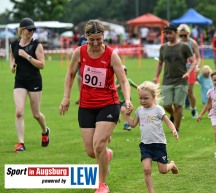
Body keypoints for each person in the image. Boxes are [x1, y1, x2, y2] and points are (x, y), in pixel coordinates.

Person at [58, 19, 132, 193]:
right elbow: (70, 74)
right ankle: (107, 154)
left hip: (109, 104)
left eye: (100, 39)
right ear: (86, 37)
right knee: (92, 152)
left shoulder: (111, 55)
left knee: (98, 144)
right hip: (86, 105)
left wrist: (127, 99)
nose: (96, 43)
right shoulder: (80, 52)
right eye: (92, 40)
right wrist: (66, 97)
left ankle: (102, 184)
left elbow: (123, 80)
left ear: (104, 37)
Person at [125, 81, 179, 193]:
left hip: (159, 144)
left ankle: (172, 165)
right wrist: (127, 115)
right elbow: (133, 124)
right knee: (146, 169)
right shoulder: (139, 110)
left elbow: (168, 121)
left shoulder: (158, 109)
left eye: (145, 98)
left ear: (153, 97)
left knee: (163, 170)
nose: (142, 101)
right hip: (145, 145)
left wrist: (174, 130)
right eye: (140, 98)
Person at [10, 17, 50, 152]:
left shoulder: (36, 44)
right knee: (19, 112)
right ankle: (21, 143)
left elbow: (42, 65)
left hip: (34, 81)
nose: (32, 32)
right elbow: (12, 56)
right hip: (20, 81)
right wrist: (12, 65)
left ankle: (45, 131)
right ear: (22, 30)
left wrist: (27, 56)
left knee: (36, 114)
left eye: (34, 30)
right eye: (29, 30)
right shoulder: (14, 44)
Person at [153, 24, 196, 132]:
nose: (168, 35)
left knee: (178, 105)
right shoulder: (163, 47)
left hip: (181, 80)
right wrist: (155, 76)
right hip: (167, 80)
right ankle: (174, 115)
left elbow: (193, 61)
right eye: (166, 33)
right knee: (167, 105)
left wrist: (188, 73)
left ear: (176, 33)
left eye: (170, 33)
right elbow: (160, 63)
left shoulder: (184, 46)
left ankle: (176, 128)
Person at [177, 24, 200, 118]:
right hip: (180, 69)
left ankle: (194, 109)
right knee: (180, 91)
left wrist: (196, 66)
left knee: (190, 91)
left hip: (191, 69)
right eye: (180, 35)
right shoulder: (178, 43)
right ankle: (180, 111)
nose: (183, 37)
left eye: (184, 35)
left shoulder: (193, 43)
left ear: (188, 34)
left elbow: (198, 57)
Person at [115, 65, 138, 130]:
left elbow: (137, 87)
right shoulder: (116, 81)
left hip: (127, 99)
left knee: (123, 110)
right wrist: (120, 85)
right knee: (117, 113)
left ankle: (126, 124)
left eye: (124, 73)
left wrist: (143, 89)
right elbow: (114, 88)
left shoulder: (128, 81)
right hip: (118, 100)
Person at [75, 32, 87, 104]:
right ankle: (81, 97)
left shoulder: (93, 39)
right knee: (79, 78)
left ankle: (86, 97)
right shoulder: (82, 38)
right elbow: (78, 48)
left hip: (90, 62)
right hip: (82, 61)